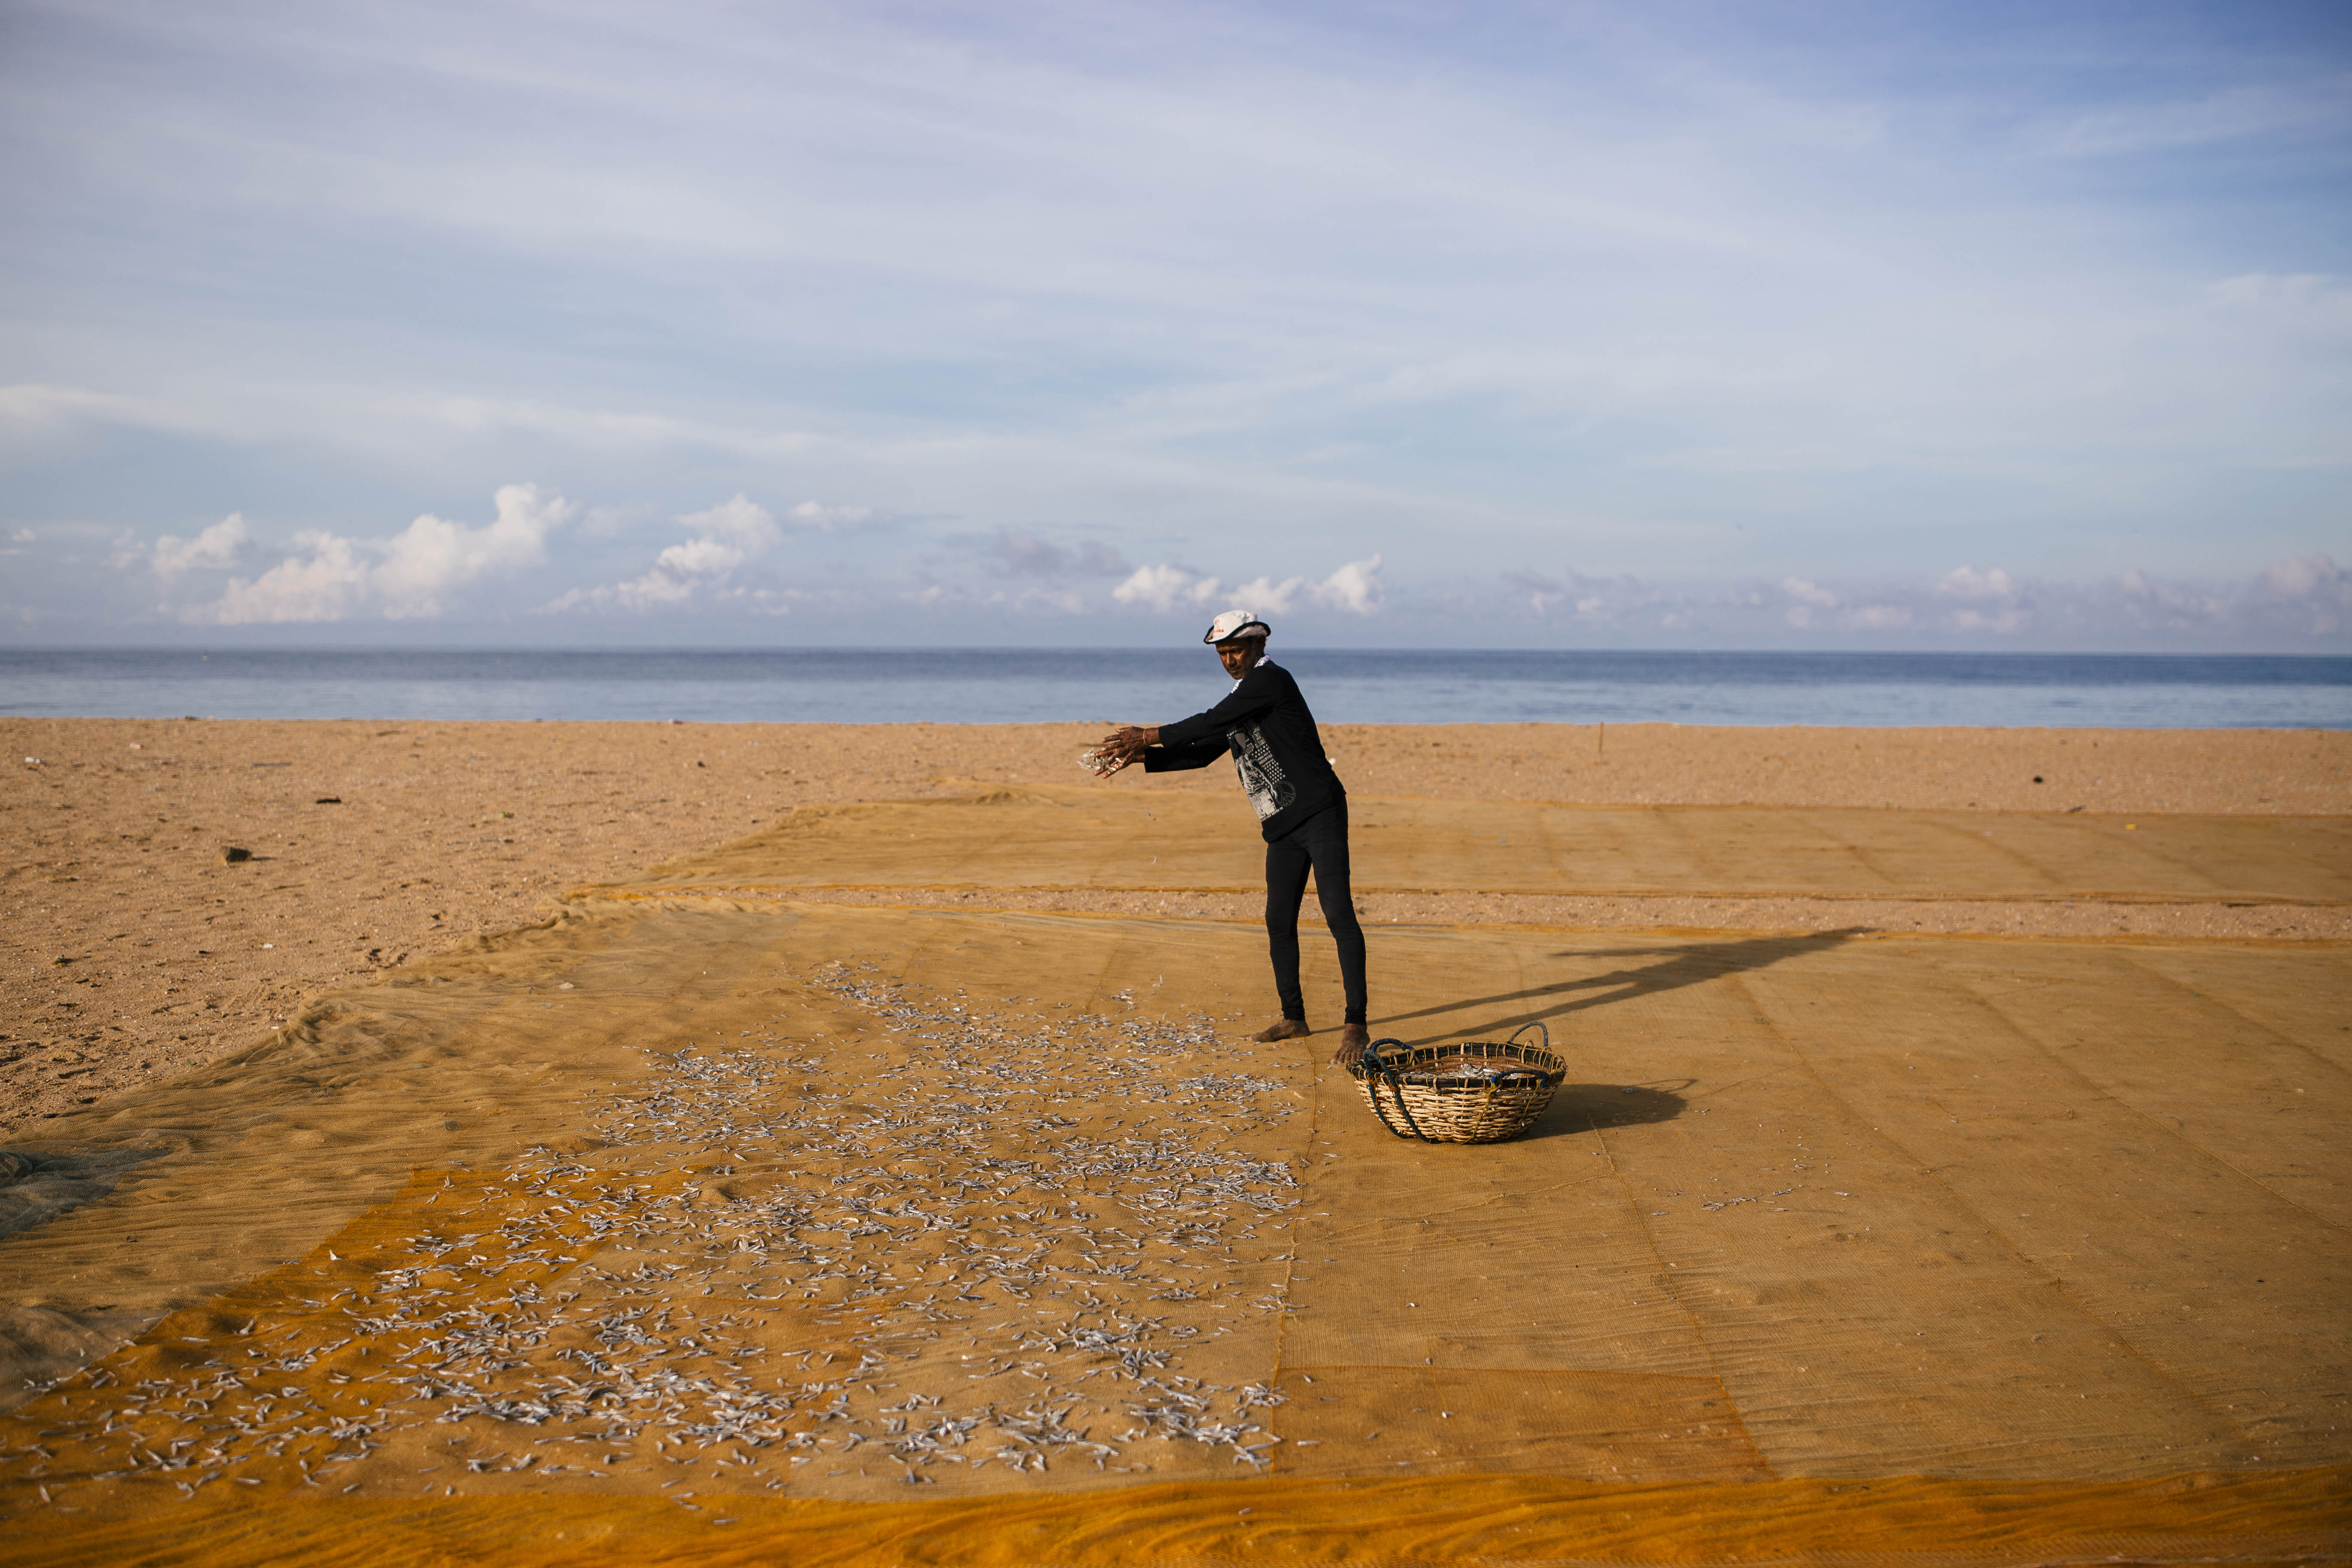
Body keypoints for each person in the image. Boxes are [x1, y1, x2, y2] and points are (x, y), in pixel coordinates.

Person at [1090, 610, 1370, 1063]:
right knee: (1278, 920)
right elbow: (1202, 753)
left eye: (1236, 650)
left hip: (1320, 813)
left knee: (1338, 914)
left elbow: (1206, 721)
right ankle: (1294, 1018)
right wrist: (1141, 759)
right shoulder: (1244, 699)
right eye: (1222, 653)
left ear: (1259, 645)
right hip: (1281, 823)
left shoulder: (1271, 682)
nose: (1229, 660)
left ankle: (1356, 1025)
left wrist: (1149, 734)